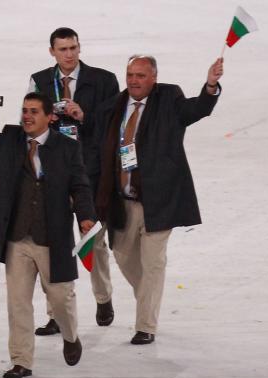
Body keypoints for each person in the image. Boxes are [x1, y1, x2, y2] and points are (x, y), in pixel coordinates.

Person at [0, 92, 96, 378]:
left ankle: (71, 336)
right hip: (16, 237)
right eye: (24, 110)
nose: (27, 116)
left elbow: (80, 185)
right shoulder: (10, 139)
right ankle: (21, 360)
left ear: (50, 116)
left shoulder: (67, 147)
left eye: (34, 111)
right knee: (18, 302)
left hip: (53, 237)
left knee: (61, 298)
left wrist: (85, 216)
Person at [93, 55, 223, 345]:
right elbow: (95, 131)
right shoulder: (115, 105)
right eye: (130, 74)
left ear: (154, 77)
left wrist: (211, 86)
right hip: (122, 201)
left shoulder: (168, 98)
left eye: (140, 75)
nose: (134, 81)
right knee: (124, 257)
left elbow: (197, 109)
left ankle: (145, 325)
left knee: (153, 264)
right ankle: (149, 299)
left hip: (158, 200)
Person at [27, 27, 120, 335]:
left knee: (93, 238)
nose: (69, 54)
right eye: (63, 49)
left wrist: (84, 115)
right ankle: (56, 314)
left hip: (89, 172)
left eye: (73, 48)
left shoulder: (104, 80)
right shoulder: (40, 81)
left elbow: (113, 123)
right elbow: (28, 120)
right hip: (51, 173)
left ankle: (103, 296)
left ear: (80, 48)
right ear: (52, 51)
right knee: (52, 244)